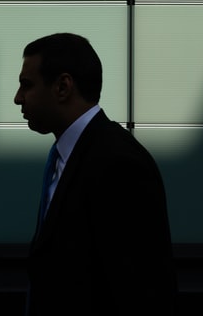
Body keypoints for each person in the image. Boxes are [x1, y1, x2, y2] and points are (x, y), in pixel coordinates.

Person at [14, 33, 177, 315]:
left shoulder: (119, 163)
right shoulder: (70, 156)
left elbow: (140, 291)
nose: (18, 98)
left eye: (27, 85)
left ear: (63, 87)